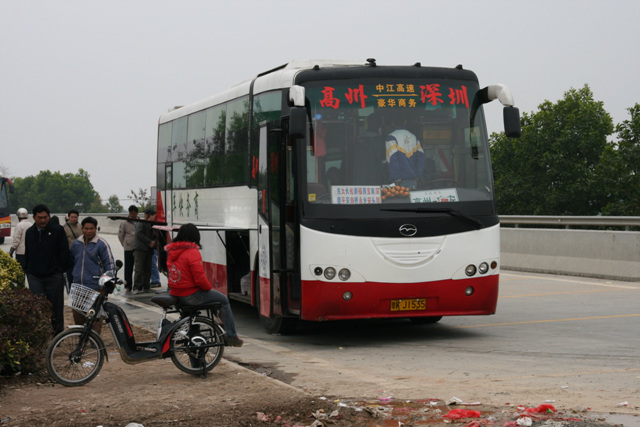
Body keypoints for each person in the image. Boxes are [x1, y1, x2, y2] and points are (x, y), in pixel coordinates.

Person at [165, 223, 243, 347]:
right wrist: (208, 288)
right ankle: (231, 336)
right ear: (195, 236)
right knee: (223, 300)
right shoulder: (192, 252)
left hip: (176, 294)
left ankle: (194, 336)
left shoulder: (172, 252)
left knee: (194, 314)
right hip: (191, 295)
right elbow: (200, 279)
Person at [24, 204, 69, 335]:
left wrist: (60, 270)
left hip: (54, 276)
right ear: (34, 217)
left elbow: (64, 252)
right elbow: (27, 253)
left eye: (45, 217)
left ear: (49, 216)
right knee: (38, 307)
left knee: (56, 308)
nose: (43, 220)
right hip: (35, 276)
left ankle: (57, 336)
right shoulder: (29, 232)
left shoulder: (57, 230)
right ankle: (41, 335)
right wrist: (28, 270)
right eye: (40, 218)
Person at [70, 217, 114, 333]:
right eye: (86, 228)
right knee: (78, 318)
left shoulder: (102, 244)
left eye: (91, 229)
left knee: (95, 319)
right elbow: (71, 262)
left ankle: (95, 340)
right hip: (78, 287)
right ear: (82, 228)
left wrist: (104, 282)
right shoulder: (76, 244)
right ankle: (81, 339)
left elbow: (110, 266)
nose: (89, 231)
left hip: (96, 288)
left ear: (96, 229)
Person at [385, 116, 426, 189]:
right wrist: (418, 175)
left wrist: (396, 178)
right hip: (413, 179)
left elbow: (392, 159)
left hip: (399, 181)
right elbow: (421, 157)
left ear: (392, 123)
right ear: (405, 122)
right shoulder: (413, 137)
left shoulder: (391, 137)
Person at [132, 208, 157, 294]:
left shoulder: (153, 225)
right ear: (150, 216)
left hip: (149, 249)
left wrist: (153, 242)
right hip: (140, 249)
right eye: (155, 216)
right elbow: (139, 234)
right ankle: (136, 287)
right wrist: (149, 242)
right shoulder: (141, 223)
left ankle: (146, 287)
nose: (156, 218)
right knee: (139, 269)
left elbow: (155, 236)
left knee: (148, 269)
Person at [118, 205, 138, 292]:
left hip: (138, 248)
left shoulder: (140, 221)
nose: (133, 215)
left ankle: (138, 286)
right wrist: (125, 244)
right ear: (129, 213)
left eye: (134, 213)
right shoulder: (124, 222)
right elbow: (120, 235)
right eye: (131, 213)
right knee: (128, 268)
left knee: (138, 268)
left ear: (137, 213)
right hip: (129, 248)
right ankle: (128, 286)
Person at [9, 207, 31, 271]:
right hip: (30, 253)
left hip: (21, 253)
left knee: (21, 271)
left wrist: (11, 250)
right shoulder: (31, 225)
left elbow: (16, 240)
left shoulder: (19, 225)